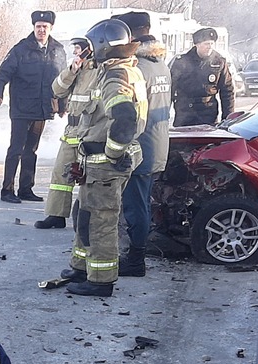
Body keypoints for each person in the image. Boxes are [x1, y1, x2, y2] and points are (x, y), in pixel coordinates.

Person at [61, 18, 147, 298]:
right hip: (96, 163)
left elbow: (124, 118)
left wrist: (111, 153)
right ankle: (82, 267)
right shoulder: (124, 71)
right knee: (84, 215)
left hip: (105, 165)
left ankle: (100, 280)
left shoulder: (116, 77)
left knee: (101, 222)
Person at [114, 11, 171, 277]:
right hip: (156, 145)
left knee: (135, 206)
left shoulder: (139, 68)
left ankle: (136, 260)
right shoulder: (160, 64)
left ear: (133, 33)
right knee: (143, 203)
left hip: (140, 149)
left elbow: (133, 115)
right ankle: (137, 254)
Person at [0, 10, 66, 205]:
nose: (41, 30)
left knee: (31, 150)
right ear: (33, 27)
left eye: (45, 27)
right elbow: (2, 73)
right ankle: (7, 189)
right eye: (38, 26)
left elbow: (63, 80)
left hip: (42, 109)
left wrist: (62, 105)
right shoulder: (20, 49)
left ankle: (26, 189)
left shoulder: (57, 50)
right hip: (21, 108)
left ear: (51, 28)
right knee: (16, 149)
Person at [34, 36, 95, 230]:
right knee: (61, 173)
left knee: (90, 178)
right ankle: (56, 215)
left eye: (79, 49)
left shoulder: (99, 72)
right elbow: (57, 89)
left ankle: (88, 220)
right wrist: (71, 71)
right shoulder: (76, 70)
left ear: (90, 50)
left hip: (90, 130)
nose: (76, 52)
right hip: (72, 130)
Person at [170, 28, 235, 127]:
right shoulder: (182, 62)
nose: (209, 47)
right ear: (197, 44)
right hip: (185, 114)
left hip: (208, 114)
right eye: (206, 44)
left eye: (212, 44)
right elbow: (171, 88)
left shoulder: (219, 62)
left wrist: (227, 119)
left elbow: (227, 91)